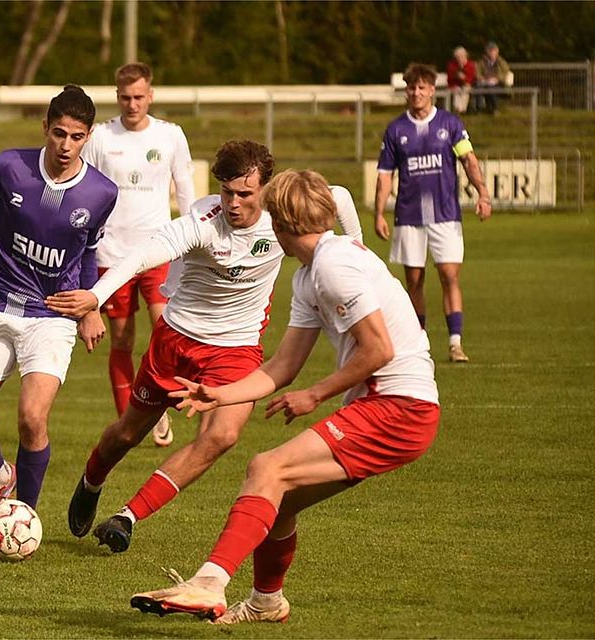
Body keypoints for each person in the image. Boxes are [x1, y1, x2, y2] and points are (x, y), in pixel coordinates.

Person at [129, 168, 440, 625]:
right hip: (392, 409)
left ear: (278, 223)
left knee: (266, 467)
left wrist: (313, 396)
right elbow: (281, 367)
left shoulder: (334, 265)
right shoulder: (309, 275)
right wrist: (220, 394)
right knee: (279, 500)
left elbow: (379, 349)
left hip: (399, 408)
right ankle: (266, 602)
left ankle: (208, 582)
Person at [46, 141, 363, 554]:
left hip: (237, 348)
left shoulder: (283, 209)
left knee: (223, 436)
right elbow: (142, 255)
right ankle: (92, 480)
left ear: (264, 190)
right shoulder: (202, 221)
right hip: (176, 341)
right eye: (227, 191)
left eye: (245, 194)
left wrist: (357, 248)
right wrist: (97, 295)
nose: (233, 203)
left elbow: (340, 196)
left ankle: (128, 516)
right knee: (126, 434)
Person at [0, 85, 118, 533]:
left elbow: (87, 254)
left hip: (52, 315)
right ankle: (2, 477)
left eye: (76, 137)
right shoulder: (8, 166)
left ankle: (23, 518)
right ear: (45, 129)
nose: (65, 145)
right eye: (58, 134)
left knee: (33, 417)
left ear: (88, 136)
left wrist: (91, 306)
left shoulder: (100, 192)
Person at [81, 62, 197, 447]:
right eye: (126, 98)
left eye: (139, 97)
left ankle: (157, 404)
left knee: (166, 330)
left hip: (159, 249)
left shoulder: (171, 136)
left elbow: (186, 191)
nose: (133, 104)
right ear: (118, 97)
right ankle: (127, 422)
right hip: (112, 254)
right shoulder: (100, 137)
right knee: (122, 341)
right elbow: (88, 190)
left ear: (151, 96)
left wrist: (194, 239)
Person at [374, 63, 492, 363]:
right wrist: (378, 213)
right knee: (413, 280)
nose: (416, 93)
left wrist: (483, 193)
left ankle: (455, 343)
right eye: (411, 88)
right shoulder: (396, 129)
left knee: (449, 276)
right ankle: (418, 342)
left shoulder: (451, 124)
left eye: (422, 88)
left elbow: (469, 160)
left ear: (432, 91)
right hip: (409, 217)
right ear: (406, 92)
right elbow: (385, 175)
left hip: (446, 214)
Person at [476, 41, 511, 115]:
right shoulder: (482, 61)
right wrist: (482, 78)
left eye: (493, 51)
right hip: (485, 82)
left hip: (499, 83)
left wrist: (497, 78)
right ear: (487, 52)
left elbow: (506, 71)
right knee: (479, 88)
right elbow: (477, 72)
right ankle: (480, 109)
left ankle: (494, 109)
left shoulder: (500, 61)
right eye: (490, 51)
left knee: (491, 89)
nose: (492, 53)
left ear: (497, 51)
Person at [446, 46, 477, 114]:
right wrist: (457, 77)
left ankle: (462, 109)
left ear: (465, 56)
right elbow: (450, 79)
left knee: (465, 89)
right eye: (458, 57)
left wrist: (464, 78)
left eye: (461, 56)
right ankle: (458, 109)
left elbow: (472, 79)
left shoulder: (470, 65)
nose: (459, 59)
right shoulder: (451, 65)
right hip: (454, 85)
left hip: (467, 85)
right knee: (457, 90)